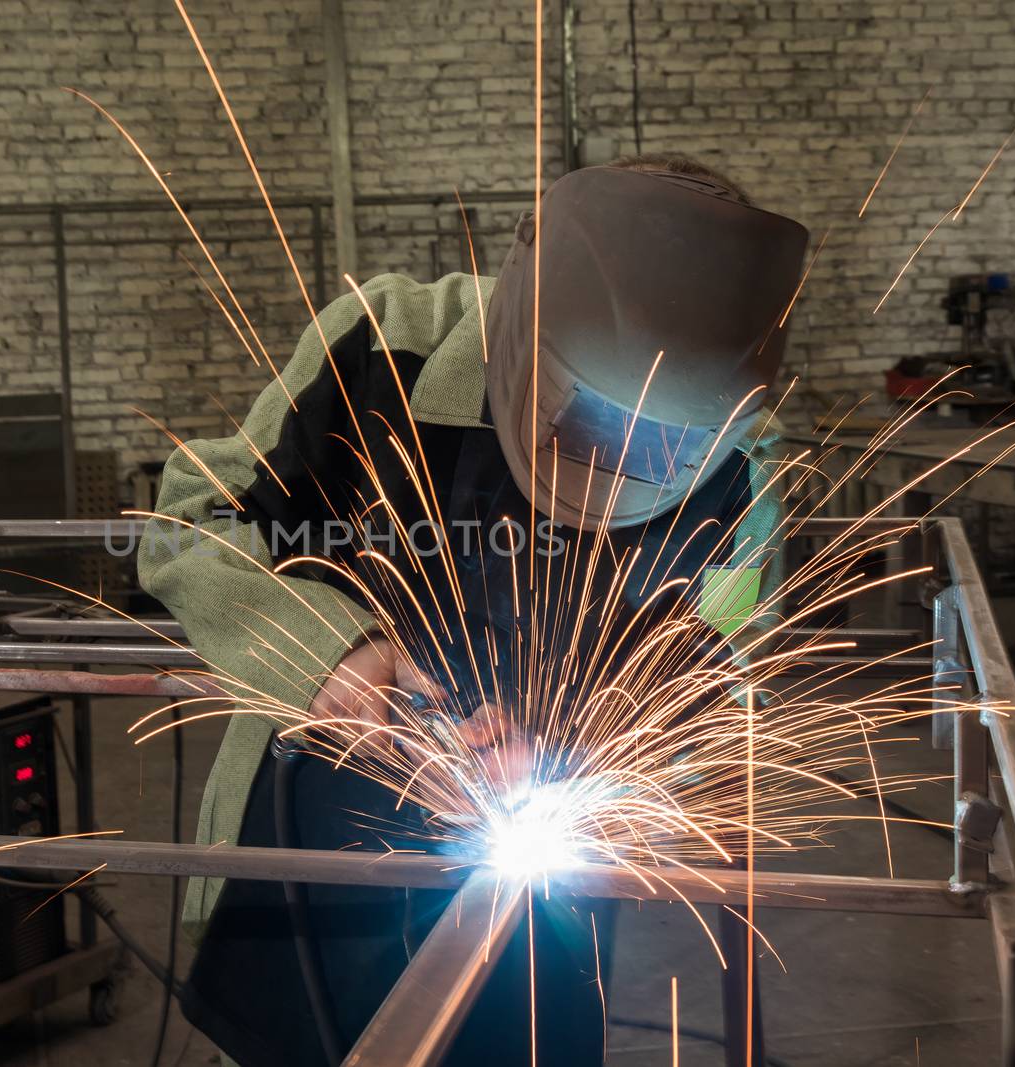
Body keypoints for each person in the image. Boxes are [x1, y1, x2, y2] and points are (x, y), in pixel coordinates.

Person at [139, 155, 810, 1065]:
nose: (610, 467)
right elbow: (184, 522)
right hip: (307, 855)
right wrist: (331, 654)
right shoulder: (383, 346)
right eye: (586, 420)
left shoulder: (744, 460)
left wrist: (583, 758)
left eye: (662, 446)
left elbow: (721, 669)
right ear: (527, 315)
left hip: (535, 885)